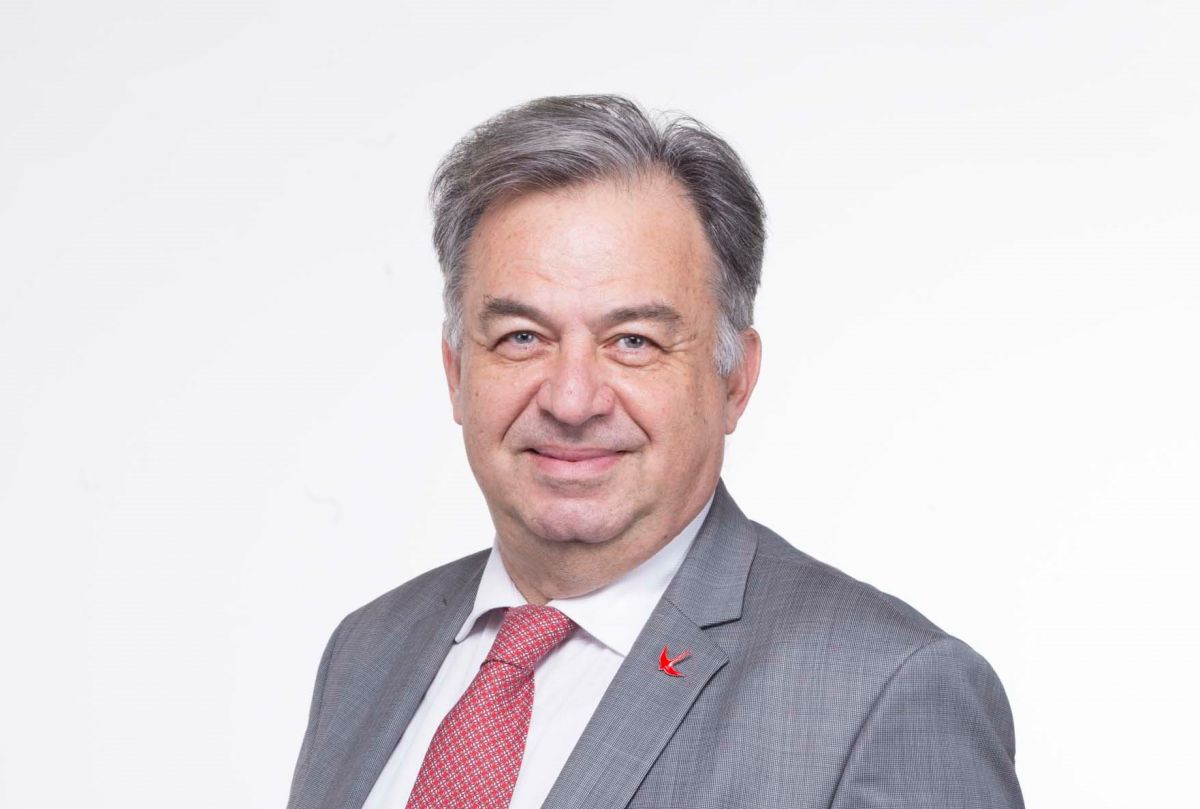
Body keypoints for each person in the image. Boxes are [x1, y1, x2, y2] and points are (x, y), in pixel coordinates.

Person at [285, 95, 1024, 809]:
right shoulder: (368, 651)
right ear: (457, 373)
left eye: (633, 341)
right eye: (522, 337)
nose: (571, 399)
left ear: (734, 380)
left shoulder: (880, 692)